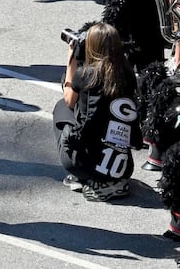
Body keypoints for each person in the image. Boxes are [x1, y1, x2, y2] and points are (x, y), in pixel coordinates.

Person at [54, 22, 141, 201]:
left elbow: (69, 100)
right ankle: (112, 180)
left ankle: (83, 177)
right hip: (124, 166)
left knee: (61, 108)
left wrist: (72, 58)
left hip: (86, 163)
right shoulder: (127, 73)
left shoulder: (86, 74)